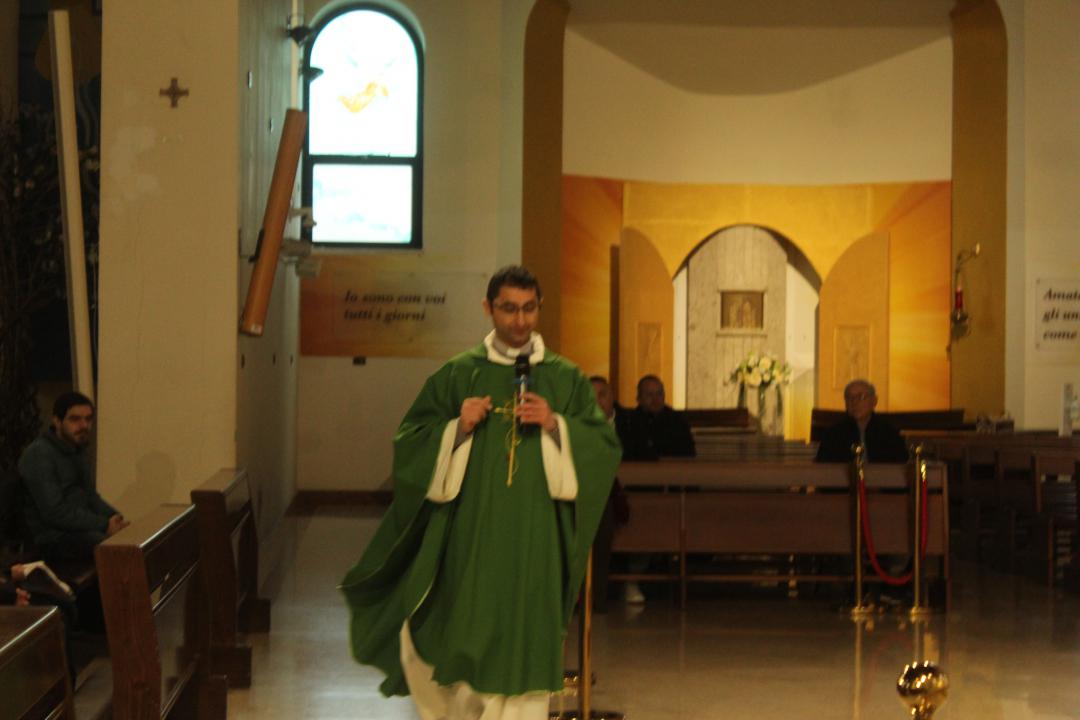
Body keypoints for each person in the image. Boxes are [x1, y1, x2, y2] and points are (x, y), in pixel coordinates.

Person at [340, 265, 621, 720]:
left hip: (536, 539)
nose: (520, 320)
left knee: (527, 639)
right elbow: (410, 442)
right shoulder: (459, 374)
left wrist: (555, 425)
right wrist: (456, 428)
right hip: (472, 536)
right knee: (467, 635)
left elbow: (603, 447)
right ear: (488, 308)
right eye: (509, 308)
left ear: (539, 308)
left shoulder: (565, 378)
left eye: (529, 308)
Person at [18, 392, 130, 562]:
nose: (84, 425)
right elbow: (54, 512)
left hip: (78, 530)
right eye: (75, 419)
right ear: (57, 421)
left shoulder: (77, 449)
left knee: (130, 539)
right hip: (52, 538)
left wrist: (116, 518)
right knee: (117, 552)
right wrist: (104, 525)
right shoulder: (39, 454)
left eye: (88, 419)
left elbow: (90, 496)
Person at [588, 376, 630, 612]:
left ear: (612, 396)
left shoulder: (630, 422)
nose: (598, 401)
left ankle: (599, 598)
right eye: (591, 396)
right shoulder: (576, 424)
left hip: (619, 493)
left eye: (602, 395)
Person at [814, 379, 908, 464]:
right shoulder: (833, 435)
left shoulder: (889, 434)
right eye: (849, 397)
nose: (854, 402)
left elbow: (901, 467)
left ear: (874, 401)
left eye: (861, 397)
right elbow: (823, 469)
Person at [619, 375, 696, 460]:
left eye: (659, 394)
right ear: (639, 398)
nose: (655, 399)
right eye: (649, 395)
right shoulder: (630, 422)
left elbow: (688, 452)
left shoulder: (676, 421)